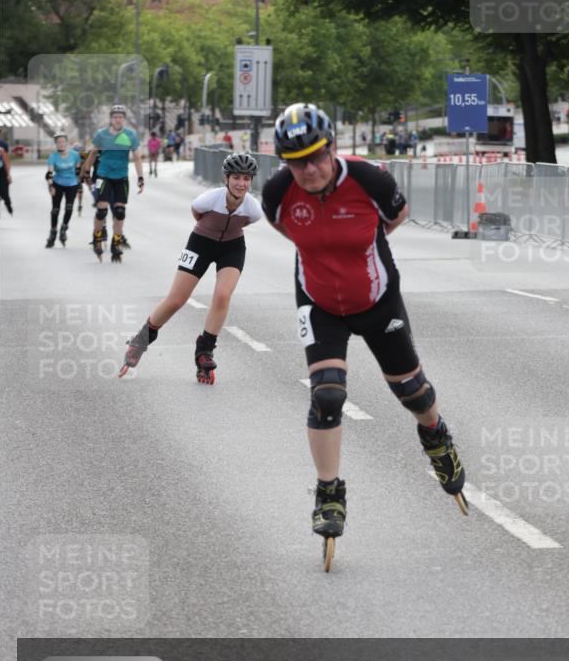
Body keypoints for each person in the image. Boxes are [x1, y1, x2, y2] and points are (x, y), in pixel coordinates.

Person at [261, 103, 467, 542]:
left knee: (412, 392)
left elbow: (397, 216)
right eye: (296, 163)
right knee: (328, 393)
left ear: (333, 147)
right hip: (317, 301)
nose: (309, 169)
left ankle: (436, 433)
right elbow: (285, 229)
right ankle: (328, 492)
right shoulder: (278, 194)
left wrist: (358, 246)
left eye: (316, 157)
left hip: (376, 299)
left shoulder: (370, 180)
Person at [118, 152, 262, 383]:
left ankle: (204, 350)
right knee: (176, 299)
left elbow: (247, 222)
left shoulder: (253, 208)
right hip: (200, 243)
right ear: (226, 178)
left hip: (232, 247)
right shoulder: (209, 199)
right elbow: (197, 214)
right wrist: (209, 231)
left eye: (246, 179)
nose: (241, 183)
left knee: (223, 296)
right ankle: (141, 340)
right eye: (236, 177)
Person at [79, 105, 143, 262]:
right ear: (111, 119)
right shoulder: (102, 135)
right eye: (115, 117)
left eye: (120, 117)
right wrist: (86, 171)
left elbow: (137, 158)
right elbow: (93, 153)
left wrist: (141, 178)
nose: (118, 119)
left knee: (120, 211)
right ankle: (97, 236)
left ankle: (116, 241)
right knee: (102, 210)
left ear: (124, 119)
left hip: (121, 177)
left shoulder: (130, 135)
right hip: (103, 176)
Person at [44, 134, 81, 247]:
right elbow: (49, 174)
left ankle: (64, 229)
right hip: (58, 184)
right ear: (56, 144)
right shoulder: (53, 157)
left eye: (63, 141)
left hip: (72, 184)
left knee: (69, 208)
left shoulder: (75, 155)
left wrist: (79, 184)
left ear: (67, 143)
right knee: (55, 209)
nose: (61, 144)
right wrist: (51, 186)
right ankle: (53, 232)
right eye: (58, 142)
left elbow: (78, 171)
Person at [0, 142, 13, 218]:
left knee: (4, 193)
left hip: (1, 174)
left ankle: (8, 205)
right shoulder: (1, 150)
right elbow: (7, 163)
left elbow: (6, 163)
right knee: (4, 193)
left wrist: (8, 175)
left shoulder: (1, 150)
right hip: (2, 174)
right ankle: (8, 205)